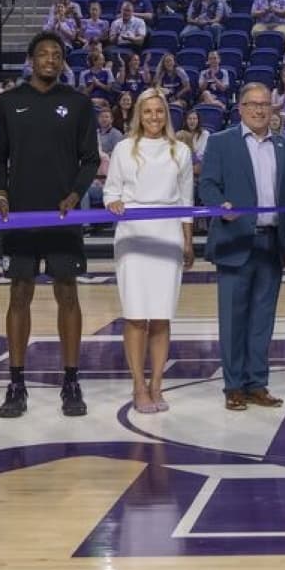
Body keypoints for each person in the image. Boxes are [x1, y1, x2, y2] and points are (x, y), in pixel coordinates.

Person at [0, 32, 101, 419]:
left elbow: (90, 159)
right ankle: (16, 383)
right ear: (31, 59)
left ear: (63, 61)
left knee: (67, 293)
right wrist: (1, 194)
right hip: (20, 216)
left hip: (62, 216)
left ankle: (71, 381)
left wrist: (75, 194)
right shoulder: (7, 102)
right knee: (19, 294)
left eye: (57, 54)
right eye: (43, 54)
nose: (50, 59)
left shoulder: (79, 103)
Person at [199, 82, 285, 410]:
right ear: (240, 109)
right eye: (252, 104)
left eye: (264, 104)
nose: (259, 110)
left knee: (262, 319)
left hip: (272, 244)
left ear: (272, 109)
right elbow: (207, 184)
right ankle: (233, 386)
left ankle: (257, 383)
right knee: (233, 319)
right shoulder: (220, 142)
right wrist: (220, 206)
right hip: (235, 241)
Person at [104, 89, 195, 415]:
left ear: (166, 115)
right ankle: (138, 385)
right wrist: (113, 203)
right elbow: (111, 191)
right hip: (133, 238)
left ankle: (156, 384)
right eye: (148, 111)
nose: (154, 117)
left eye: (159, 111)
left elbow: (186, 200)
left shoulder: (180, 150)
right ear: (138, 115)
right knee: (135, 315)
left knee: (160, 315)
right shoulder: (123, 148)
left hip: (167, 238)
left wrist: (187, 241)